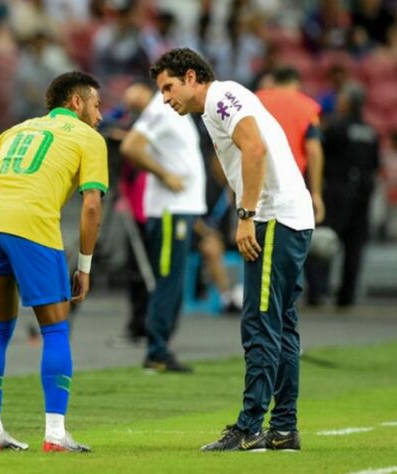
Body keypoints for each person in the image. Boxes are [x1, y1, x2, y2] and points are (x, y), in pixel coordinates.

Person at [150, 48, 314, 451]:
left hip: (274, 217)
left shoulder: (222, 97)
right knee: (281, 324)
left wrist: (246, 215)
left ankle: (250, 427)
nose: (166, 98)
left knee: (260, 324)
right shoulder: (218, 106)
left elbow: (254, 149)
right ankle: (283, 429)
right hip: (292, 215)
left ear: (191, 77)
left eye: (168, 87)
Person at [0, 71, 107, 453]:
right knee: (55, 332)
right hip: (32, 226)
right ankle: (56, 434)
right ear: (76, 103)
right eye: (96, 105)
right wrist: (85, 267)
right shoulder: (89, 138)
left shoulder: (16, 130)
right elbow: (92, 204)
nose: (100, 115)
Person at [119, 82, 207, 372]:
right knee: (168, 280)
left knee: (173, 280)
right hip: (171, 210)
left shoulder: (169, 109)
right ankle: (157, 350)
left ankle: (161, 347)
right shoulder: (160, 108)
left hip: (180, 209)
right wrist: (165, 175)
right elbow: (130, 146)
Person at [306, 85, 380, 308]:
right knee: (355, 245)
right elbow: (375, 164)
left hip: (337, 190)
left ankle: (318, 292)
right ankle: (346, 296)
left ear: (346, 103)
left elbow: (320, 153)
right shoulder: (371, 131)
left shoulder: (336, 128)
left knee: (323, 238)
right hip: (363, 193)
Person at [256, 66, 325, 224]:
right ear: (297, 84)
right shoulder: (308, 107)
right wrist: (316, 193)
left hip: (255, 178)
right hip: (288, 184)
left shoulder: (255, 99)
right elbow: (314, 151)